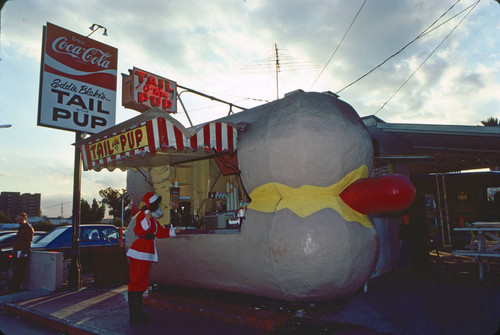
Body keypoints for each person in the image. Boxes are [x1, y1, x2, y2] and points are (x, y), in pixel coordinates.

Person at [126, 192, 182, 325]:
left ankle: (138, 314)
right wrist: (146, 219)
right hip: (140, 252)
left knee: (141, 283)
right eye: (157, 204)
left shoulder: (152, 220)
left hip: (146, 253)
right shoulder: (142, 216)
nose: (159, 207)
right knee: (136, 283)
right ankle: (134, 317)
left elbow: (160, 233)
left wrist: (174, 232)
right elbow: (139, 231)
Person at [9, 212, 34, 292]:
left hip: (22, 253)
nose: (19, 221)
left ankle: (15, 288)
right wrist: (14, 250)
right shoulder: (21, 228)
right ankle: (13, 288)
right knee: (15, 270)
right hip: (17, 252)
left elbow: (28, 242)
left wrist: (23, 252)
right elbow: (18, 241)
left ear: (25, 219)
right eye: (18, 220)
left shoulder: (28, 229)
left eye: (21, 219)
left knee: (19, 271)